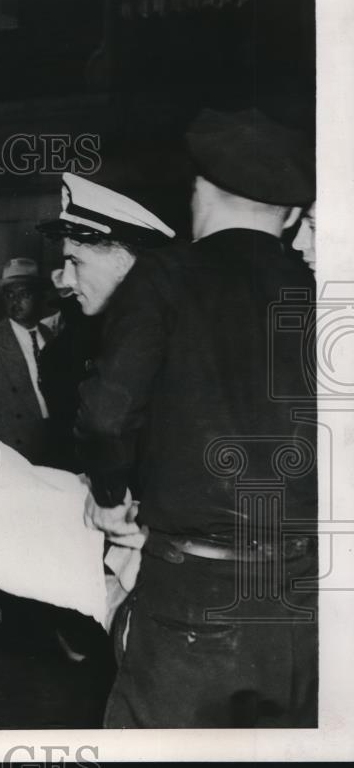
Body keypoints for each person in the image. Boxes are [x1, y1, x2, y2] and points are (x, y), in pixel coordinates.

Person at [75, 107, 317, 727]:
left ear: (198, 190)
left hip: (193, 596)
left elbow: (107, 414)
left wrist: (109, 496)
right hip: (300, 595)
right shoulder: (321, 291)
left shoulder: (166, 278)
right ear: (289, 215)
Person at [37, 173, 176, 471]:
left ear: (122, 263)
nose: (68, 280)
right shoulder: (76, 347)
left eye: (76, 262)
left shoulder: (170, 341)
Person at [0, 257, 54, 463]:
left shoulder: (50, 336)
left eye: (23, 294)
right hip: (14, 452)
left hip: (52, 443)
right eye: (9, 295)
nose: (15, 301)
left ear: (38, 296)